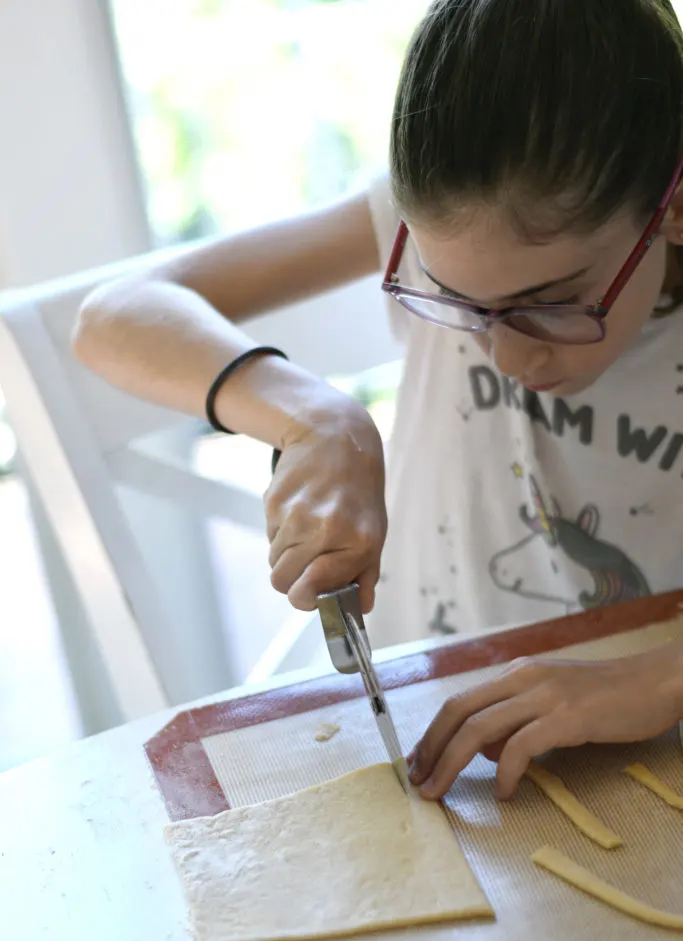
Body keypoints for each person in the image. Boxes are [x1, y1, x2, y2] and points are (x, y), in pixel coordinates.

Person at [73, 0, 683, 805]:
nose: (503, 355)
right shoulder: (413, 221)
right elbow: (115, 316)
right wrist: (316, 419)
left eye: (550, 301)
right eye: (453, 299)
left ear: (670, 203)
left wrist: (659, 681)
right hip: (436, 709)